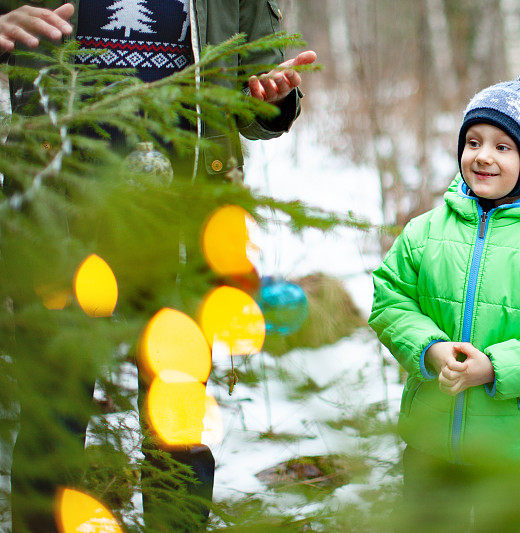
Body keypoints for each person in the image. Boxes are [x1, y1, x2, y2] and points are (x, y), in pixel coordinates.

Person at [0, 1, 315, 531]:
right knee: (53, 407)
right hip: (60, 215)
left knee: (178, 412)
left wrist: (272, 95)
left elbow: (260, 87)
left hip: (182, 221)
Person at [369, 70, 520, 528]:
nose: (483, 157)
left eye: (502, 146)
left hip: (513, 449)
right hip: (431, 442)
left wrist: (494, 366)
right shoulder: (425, 232)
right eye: (472, 142)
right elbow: (389, 298)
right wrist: (430, 349)